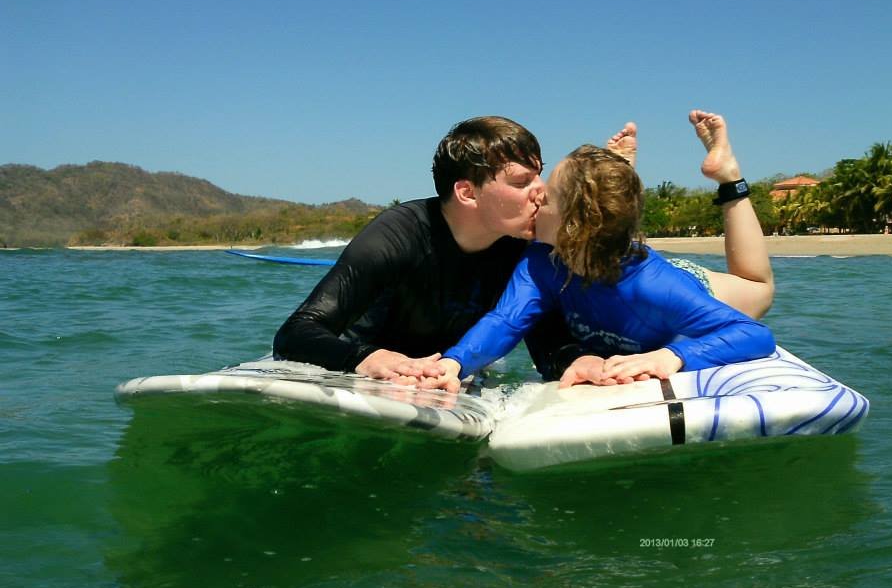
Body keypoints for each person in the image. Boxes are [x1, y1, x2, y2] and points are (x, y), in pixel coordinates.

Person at [433, 111, 776, 393]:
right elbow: (506, 320)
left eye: (548, 196)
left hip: (679, 279)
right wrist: (455, 362)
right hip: (601, 253)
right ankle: (614, 177)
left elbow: (753, 334)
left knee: (759, 289)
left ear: (571, 224)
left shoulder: (657, 288)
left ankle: (729, 176)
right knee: (603, 238)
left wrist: (674, 356)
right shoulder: (541, 259)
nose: (536, 197)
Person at [273, 116, 577, 384]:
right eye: (522, 181)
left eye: (539, 175)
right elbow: (296, 332)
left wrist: (577, 363)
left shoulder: (521, 246)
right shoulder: (398, 235)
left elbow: (547, 342)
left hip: (447, 372)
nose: (542, 191)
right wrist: (363, 358)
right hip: (367, 368)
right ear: (468, 193)